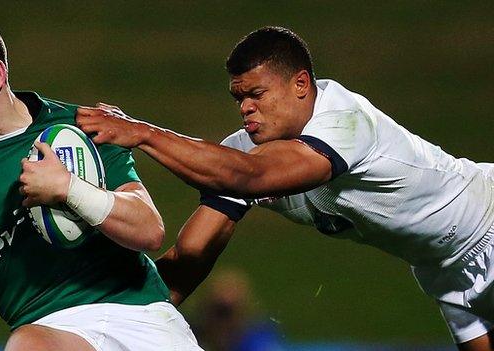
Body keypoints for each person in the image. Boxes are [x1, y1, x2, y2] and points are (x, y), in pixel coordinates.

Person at [75, 26, 494, 350]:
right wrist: (110, 324)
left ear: (300, 84)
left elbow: (246, 177)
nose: (245, 109)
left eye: (256, 94)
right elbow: (190, 256)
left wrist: (142, 134)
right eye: (239, 98)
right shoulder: (241, 154)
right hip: (443, 269)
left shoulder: (345, 121)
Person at [0, 4, 201, 350]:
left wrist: (69, 189)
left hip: (141, 312)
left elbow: (149, 231)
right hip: (50, 328)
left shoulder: (84, 127)